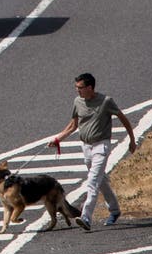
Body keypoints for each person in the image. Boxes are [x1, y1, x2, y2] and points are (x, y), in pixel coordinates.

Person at [50, 72, 137, 230]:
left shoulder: (106, 101)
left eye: (80, 88)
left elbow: (123, 119)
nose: (78, 91)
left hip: (101, 146)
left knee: (92, 182)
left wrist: (132, 139)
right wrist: (58, 139)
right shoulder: (78, 101)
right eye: (76, 88)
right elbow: (73, 125)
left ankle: (86, 217)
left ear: (90, 87)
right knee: (100, 180)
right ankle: (115, 210)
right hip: (86, 147)